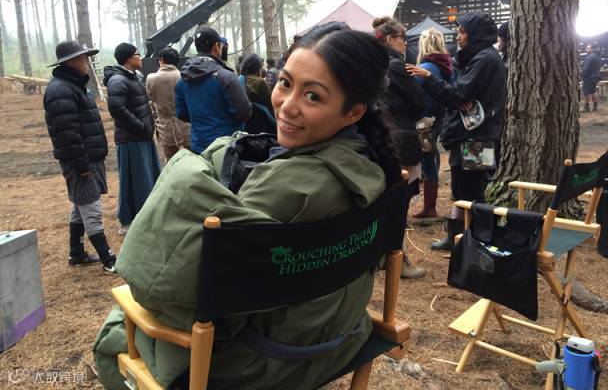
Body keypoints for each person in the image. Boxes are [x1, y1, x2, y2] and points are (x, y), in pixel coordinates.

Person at [94, 25, 404, 390]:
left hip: (266, 364)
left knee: (117, 328)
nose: (287, 105)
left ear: (353, 112)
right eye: (285, 83)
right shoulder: (374, 169)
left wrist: (188, 171)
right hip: (341, 337)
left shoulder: (289, 187)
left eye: (313, 96)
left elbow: (171, 292)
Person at [407, 12, 506, 250]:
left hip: (476, 138)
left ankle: (479, 241)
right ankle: (457, 238)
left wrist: (429, 77)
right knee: (462, 189)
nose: (458, 36)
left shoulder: (484, 59)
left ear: (475, 34)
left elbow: (457, 94)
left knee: (472, 190)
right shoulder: (480, 57)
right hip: (469, 135)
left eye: (462, 32)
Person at [43, 41, 117, 274]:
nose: (86, 62)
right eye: (83, 58)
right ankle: (108, 259)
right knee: (91, 207)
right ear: (72, 62)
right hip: (81, 161)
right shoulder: (61, 90)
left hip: (87, 158)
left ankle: (76, 253)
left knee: (80, 205)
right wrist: (82, 165)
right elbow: (67, 134)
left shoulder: (71, 86)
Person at [373, 16, 427, 279]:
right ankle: (396, 259)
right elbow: (419, 103)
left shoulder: (372, 64)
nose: (405, 43)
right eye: (402, 38)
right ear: (390, 39)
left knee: (384, 199)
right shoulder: (396, 66)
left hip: (379, 138)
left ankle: (381, 254)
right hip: (401, 138)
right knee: (399, 202)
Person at [104, 43, 161, 235]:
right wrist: (139, 126)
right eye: (138, 54)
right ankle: (128, 221)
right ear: (129, 58)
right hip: (131, 139)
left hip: (141, 137)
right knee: (133, 181)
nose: (140, 57)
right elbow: (116, 108)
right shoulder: (118, 80)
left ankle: (146, 217)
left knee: (146, 178)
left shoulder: (132, 77)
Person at [175, 26, 252, 153]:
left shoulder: (182, 81)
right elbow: (244, 113)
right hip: (227, 149)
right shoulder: (226, 77)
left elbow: (182, 114)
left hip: (199, 147)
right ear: (216, 46)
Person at [411, 28, 454, 219]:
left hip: (424, 122)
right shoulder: (446, 66)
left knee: (427, 162)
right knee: (431, 158)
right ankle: (430, 206)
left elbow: (413, 93)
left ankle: (429, 208)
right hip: (437, 119)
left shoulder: (426, 68)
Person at [145, 47, 191, 163]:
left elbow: (151, 99)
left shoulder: (151, 78)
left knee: (171, 162)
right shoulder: (185, 76)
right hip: (186, 126)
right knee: (191, 161)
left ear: (161, 60)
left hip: (165, 128)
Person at [240, 53, 277, 134]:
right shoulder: (259, 82)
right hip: (261, 123)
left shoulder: (239, 80)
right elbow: (269, 102)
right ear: (258, 68)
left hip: (245, 123)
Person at [581, 44, 601, 112]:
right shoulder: (597, 56)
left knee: (586, 92)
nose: (586, 49)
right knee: (593, 91)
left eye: (588, 48)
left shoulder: (589, 57)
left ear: (592, 49)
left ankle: (587, 107)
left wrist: (583, 76)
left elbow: (586, 68)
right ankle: (595, 107)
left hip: (588, 77)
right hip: (595, 77)